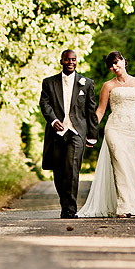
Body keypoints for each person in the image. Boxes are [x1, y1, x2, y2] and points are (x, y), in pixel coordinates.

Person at [78, 51, 135, 219]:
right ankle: (125, 207)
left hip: (134, 130)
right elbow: (100, 110)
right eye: (110, 66)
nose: (114, 67)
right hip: (114, 129)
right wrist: (91, 130)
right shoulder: (108, 86)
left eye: (116, 62)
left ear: (123, 60)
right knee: (120, 167)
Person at [39, 49, 98, 219]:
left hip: (76, 132)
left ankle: (70, 209)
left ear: (76, 61)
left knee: (72, 169)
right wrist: (52, 120)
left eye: (73, 60)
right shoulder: (49, 82)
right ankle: (64, 202)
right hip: (56, 133)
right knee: (58, 171)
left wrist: (92, 135)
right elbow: (45, 104)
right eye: (67, 60)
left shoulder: (86, 83)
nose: (70, 62)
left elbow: (90, 110)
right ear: (61, 61)